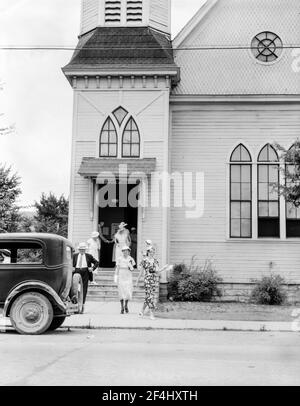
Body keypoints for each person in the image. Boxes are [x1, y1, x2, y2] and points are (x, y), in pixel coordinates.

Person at [136, 245, 162, 320]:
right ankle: (151, 314)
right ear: (148, 252)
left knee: (148, 297)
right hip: (147, 280)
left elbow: (157, 271)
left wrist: (162, 270)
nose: (152, 253)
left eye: (153, 252)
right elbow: (141, 272)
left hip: (153, 280)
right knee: (150, 297)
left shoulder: (155, 261)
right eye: (150, 252)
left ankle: (141, 311)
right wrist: (137, 280)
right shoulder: (144, 260)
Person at [73, 242, 99, 313]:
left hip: (85, 272)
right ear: (79, 249)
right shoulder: (74, 255)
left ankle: (82, 305)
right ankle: (76, 304)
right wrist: (72, 268)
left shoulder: (89, 256)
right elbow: (69, 262)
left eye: (83, 249)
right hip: (76, 271)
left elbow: (97, 262)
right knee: (76, 288)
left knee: (84, 289)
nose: (82, 251)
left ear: (85, 250)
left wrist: (92, 268)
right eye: (81, 249)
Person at [114, 246, 135, 314]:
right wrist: (115, 276)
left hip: (128, 275)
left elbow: (132, 269)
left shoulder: (131, 259)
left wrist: (130, 266)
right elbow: (117, 268)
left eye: (126, 251)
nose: (125, 252)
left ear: (129, 251)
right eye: (124, 251)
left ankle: (126, 305)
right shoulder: (119, 259)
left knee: (128, 291)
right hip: (121, 274)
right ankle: (122, 307)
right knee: (121, 291)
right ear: (122, 251)